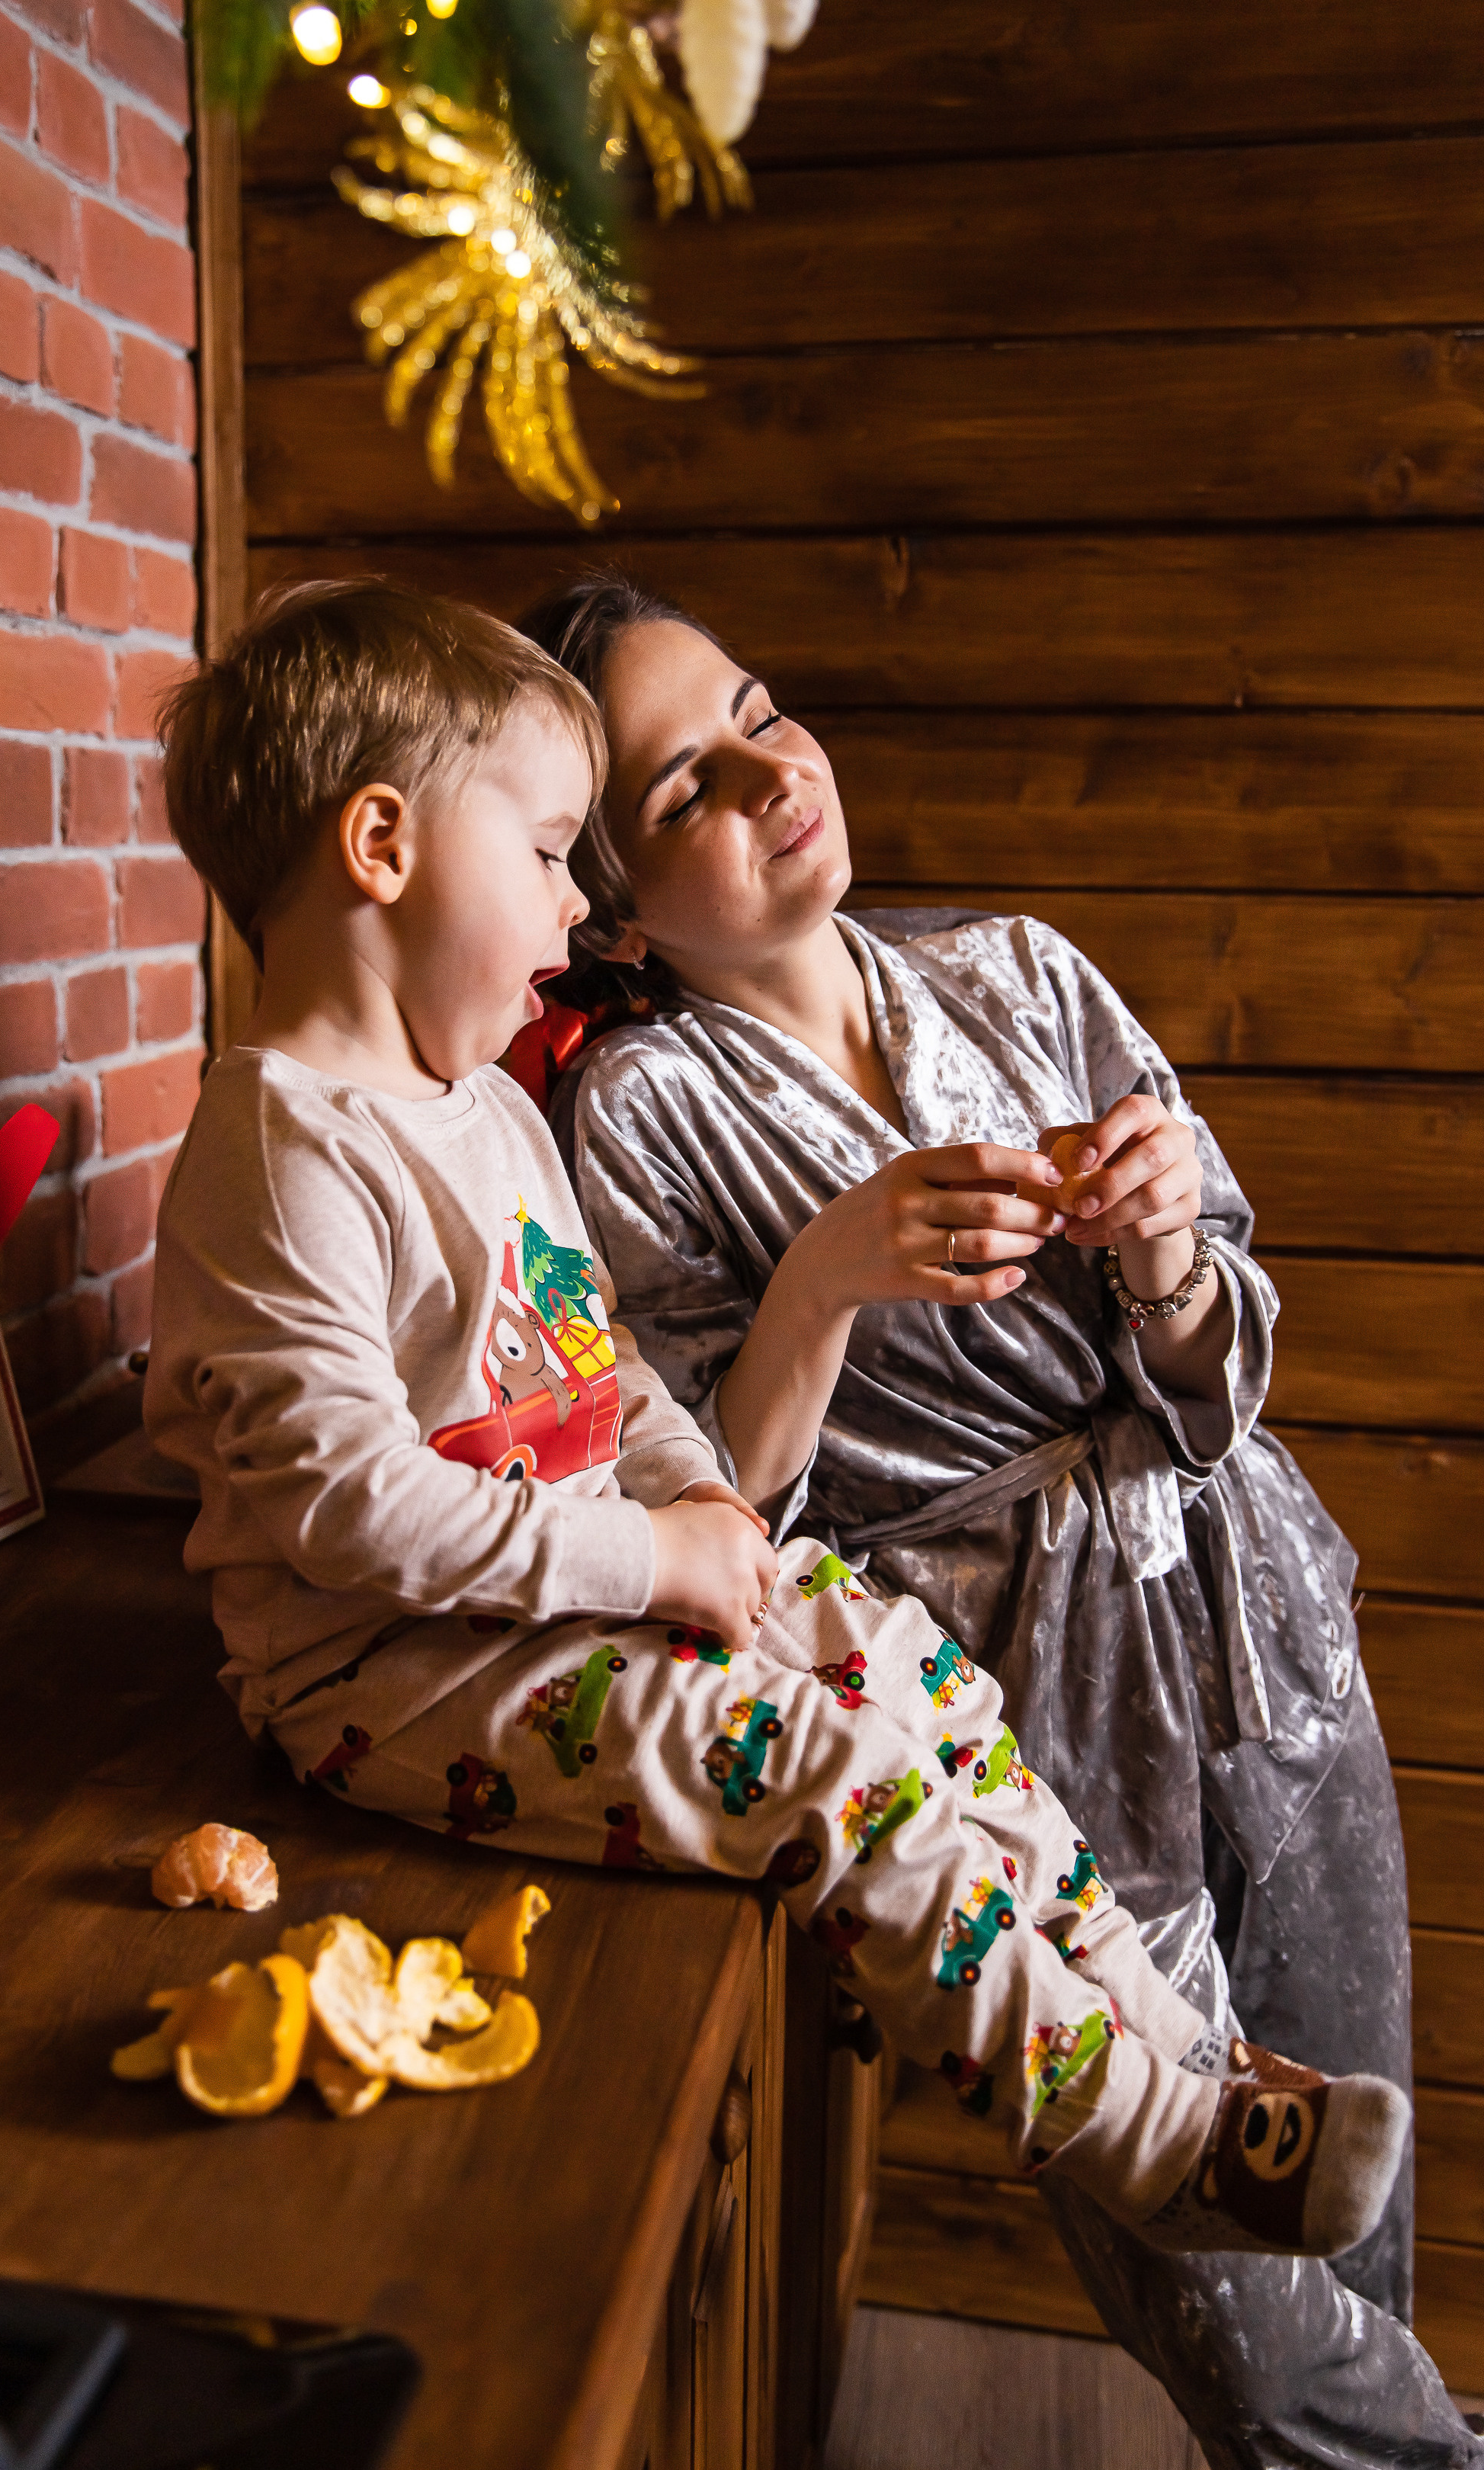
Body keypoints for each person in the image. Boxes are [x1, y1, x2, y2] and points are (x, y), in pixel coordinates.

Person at [141, 576, 1404, 2273]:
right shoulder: (282, 1150)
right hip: (392, 1667)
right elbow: (351, 1512)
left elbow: (608, 1380)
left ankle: (1183, 2051)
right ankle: (1145, 2139)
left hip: (567, 1589)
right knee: (822, 1767)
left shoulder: (485, 1114)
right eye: (548, 853)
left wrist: (703, 1508)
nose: (564, 912)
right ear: (382, 847)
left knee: (912, 1678)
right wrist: (650, 1555)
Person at [519, 573, 1476, 2470]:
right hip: (1027, 1733)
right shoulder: (639, 1112)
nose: (770, 773)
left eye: (761, 713)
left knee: (1350, 2177)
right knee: (1229, 2299)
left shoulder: (1021, 974)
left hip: (1255, 1617)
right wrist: (824, 1277)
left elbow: (1219, 1354)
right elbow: (716, 1511)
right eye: (687, 784)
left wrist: (1173, 1250)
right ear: (612, 907)